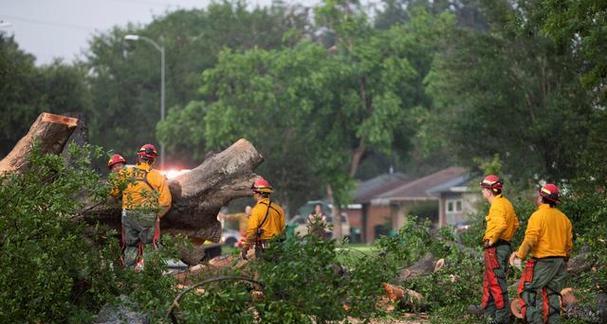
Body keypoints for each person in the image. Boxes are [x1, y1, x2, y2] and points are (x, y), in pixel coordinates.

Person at [509, 183, 573, 324]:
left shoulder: (538, 216)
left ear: (541, 198)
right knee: (552, 295)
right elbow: (569, 245)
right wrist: (564, 260)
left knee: (526, 290)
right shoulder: (564, 219)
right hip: (560, 262)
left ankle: (535, 321)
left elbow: (531, 239)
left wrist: (520, 255)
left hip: (543, 262)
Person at [111, 144, 172, 271]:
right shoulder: (158, 177)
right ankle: (150, 277)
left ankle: (129, 276)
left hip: (127, 215)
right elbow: (166, 202)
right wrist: (156, 216)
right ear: (153, 159)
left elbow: (114, 192)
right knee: (149, 246)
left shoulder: (125, 173)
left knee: (131, 246)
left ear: (139, 157)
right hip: (147, 215)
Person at [470, 175, 519, 324]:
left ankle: (501, 318)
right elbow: (515, 224)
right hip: (504, 246)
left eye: (483, 189)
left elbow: (502, 225)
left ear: (489, 191)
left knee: (497, 283)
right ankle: (488, 313)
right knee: (491, 281)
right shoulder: (506, 203)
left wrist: (492, 240)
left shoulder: (497, 205)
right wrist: (505, 238)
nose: (482, 192)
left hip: (495, 248)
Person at [241, 176, 285, 259]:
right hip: (278, 245)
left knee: (264, 269)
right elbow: (282, 229)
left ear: (258, 193)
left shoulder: (256, 210)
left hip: (263, 246)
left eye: (254, 192)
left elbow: (252, 231)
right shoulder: (279, 209)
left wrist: (246, 247)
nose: (254, 195)